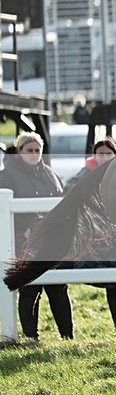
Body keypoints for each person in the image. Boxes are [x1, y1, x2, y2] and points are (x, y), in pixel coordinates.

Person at [0, 132, 73, 340]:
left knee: (59, 288)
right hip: (25, 241)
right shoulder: (6, 175)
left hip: (53, 240)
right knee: (30, 289)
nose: (34, 154)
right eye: (29, 150)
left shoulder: (50, 173)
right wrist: (25, 227)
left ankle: (67, 336)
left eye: (37, 150)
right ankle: (31, 337)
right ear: (19, 151)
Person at [68, 139, 116, 342]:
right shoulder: (85, 176)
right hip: (102, 240)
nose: (104, 157)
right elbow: (71, 194)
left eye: (108, 153)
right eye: (100, 153)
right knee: (111, 285)